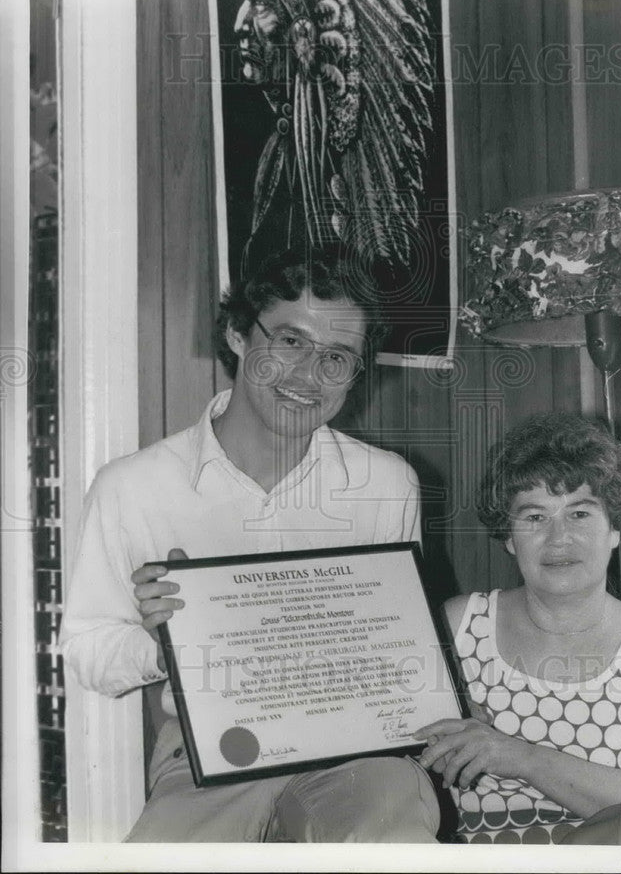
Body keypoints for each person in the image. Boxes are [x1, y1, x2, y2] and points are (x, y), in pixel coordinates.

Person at [59, 245, 440, 843]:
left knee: (387, 827)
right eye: (290, 342)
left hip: (354, 751)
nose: (308, 375)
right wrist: (168, 648)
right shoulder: (132, 487)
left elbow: (398, 647)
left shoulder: (388, 482)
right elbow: (87, 648)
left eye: (337, 357)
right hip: (209, 754)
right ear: (239, 335)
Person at [414, 413, 621, 845]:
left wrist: (518, 757)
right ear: (509, 536)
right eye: (534, 517)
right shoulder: (460, 624)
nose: (558, 538)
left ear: (616, 529)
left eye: (580, 514)